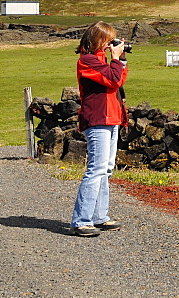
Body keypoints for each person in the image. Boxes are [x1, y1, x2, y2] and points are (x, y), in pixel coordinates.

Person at [69, 21, 128, 237]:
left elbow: (119, 78)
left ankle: (99, 216)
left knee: (106, 169)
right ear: (98, 40)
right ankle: (81, 220)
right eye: (109, 40)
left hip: (111, 118)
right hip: (98, 118)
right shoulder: (87, 61)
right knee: (96, 169)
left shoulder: (101, 61)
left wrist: (120, 59)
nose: (111, 44)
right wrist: (116, 59)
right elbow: (112, 79)